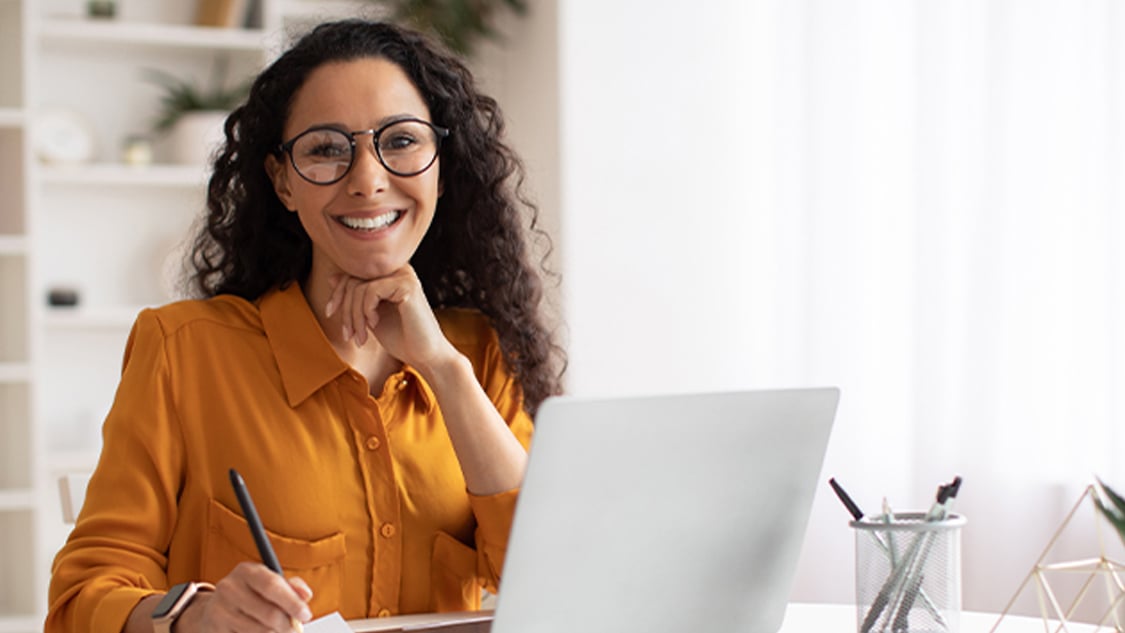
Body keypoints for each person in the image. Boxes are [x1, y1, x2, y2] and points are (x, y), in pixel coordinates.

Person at [45, 18, 564, 633]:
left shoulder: (477, 356)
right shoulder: (183, 351)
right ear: (283, 181)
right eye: (326, 149)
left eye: (400, 141)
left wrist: (445, 370)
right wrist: (196, 614)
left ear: (441, 169)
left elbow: (554, 581)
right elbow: (81, 597)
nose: (368, 179)